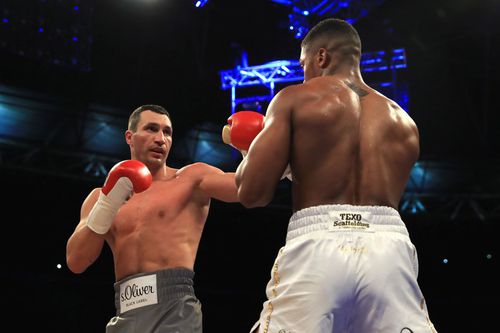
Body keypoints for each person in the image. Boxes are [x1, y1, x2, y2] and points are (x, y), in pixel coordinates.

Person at [234, 18, 437, 333]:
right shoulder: (404, 123)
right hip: (389, 250)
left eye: (303, 65)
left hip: (319, 243)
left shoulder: (294, 100)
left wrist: (248, 152)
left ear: (321, 57)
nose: (303, 75)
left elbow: (252, 194)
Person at [66, 104, 239, 333]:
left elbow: (250, 190)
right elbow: (76, 261)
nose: (161, 139)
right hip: (125, 312)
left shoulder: (191, 179)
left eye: (167, 132)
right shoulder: (100, 197)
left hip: (175, 308)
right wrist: (107, 204)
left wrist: (254, 149)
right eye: (151, 129)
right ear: (130, 136)